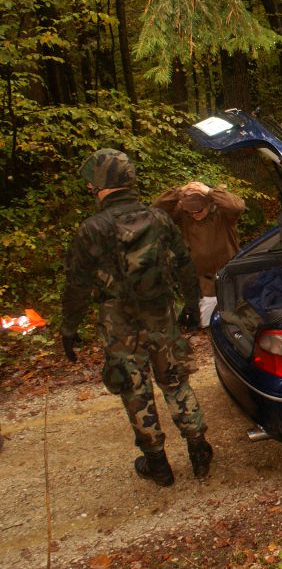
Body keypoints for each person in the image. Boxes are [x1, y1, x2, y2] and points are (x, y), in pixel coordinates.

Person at [61, 149, 213, 486]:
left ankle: (158, 464)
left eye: (92, 182)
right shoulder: (159, 219)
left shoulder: (92, 229)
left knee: (134, 389)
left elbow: (77, 283)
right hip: (161, 314)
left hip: (119, 323)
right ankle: (199, 450)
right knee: (175, 381)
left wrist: (68, 327)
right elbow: (184, 264)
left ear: (102, 183)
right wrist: (191, 304)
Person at [153, 181, 246, 328]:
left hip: (229, 274)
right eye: (190, 211)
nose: (194, 214)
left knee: (237, 314)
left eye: (199, 210)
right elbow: (157, 209)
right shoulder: (183, 215)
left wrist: (209, 191)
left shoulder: (223, 214)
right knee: (206, 323)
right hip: (203, 279)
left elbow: (237, 206)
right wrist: (179, 191)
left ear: (209, 204)